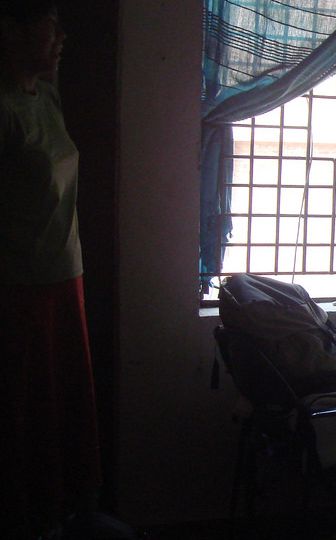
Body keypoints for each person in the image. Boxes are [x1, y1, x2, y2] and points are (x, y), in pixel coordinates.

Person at [0, 2, 102, 538]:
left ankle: (60, 511)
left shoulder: (48, 96)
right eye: (49, 24)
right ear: (12, 31)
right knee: (24, 409)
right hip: (20, 286)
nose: (61, 36)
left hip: (67, 276)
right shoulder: (5, 107)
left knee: (62, 404)